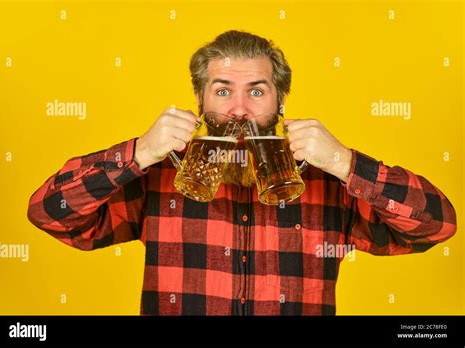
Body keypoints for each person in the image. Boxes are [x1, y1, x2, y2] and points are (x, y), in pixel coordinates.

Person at [27, 30, 457, 315]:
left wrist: (346, 163)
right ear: (199, 101)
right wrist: (137, 154)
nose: (238, 109)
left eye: (256, 90)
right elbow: (51, 214)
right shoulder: (159, 175)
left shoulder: (328, 180)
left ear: (280, 101)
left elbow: (435, 226)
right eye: (222, 91)